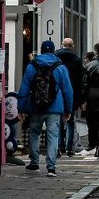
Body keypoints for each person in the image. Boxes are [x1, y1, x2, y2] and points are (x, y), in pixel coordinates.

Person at [17, 39, 73, 177]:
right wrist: (68, 109)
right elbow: (68, 90)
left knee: (34, 133)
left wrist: (21, 108)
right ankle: (51, 167)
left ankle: (34, 162)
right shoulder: (60, 67)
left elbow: (24, 87)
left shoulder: (32, 65)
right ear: (54, 51)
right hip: (55, 107)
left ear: (41, 50)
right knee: (53, 135)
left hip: (36, 106)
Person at [55, 37, 85, 158]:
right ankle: (69, 149)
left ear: (62, 45)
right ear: (72, 46)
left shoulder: (56, 56)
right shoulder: (77, 59)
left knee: (58, 121)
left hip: (57, 93)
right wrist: (81, 98)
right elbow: (80, 80)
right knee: (71, 122)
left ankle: (59, 146)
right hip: (72, 94)